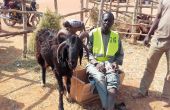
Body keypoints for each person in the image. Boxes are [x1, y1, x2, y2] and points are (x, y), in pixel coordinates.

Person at [86, 12, 124, 110]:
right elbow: (86, 52)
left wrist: (116, 62)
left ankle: (107, 107)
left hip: (110, 65)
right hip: (94, 64)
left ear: (113, 22)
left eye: (110, 20)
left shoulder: (115, 36)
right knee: (100, 78)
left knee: (112, 91)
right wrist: (96, 63)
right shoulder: (93, 33)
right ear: (101, 20)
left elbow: (119, 54)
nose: (107, 22)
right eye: (105, 20)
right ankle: (108, 107)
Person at [133, 0, 170, 98]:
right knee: (149, 67)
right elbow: (158, 17)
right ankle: (142, 91)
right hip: (158, 38)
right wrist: (148, 35)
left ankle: (166, 96)